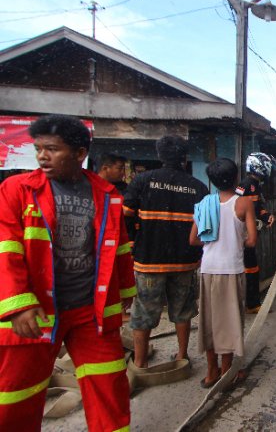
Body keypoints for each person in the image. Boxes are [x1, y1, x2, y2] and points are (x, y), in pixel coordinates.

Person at [0, 114, 135, 431]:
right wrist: (17, 304)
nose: (42, 156)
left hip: (90, 312)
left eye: (52, 149)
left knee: (109, 389)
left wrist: (126, 294)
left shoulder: (107, 194)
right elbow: (6, 248)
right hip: (36, 311)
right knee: (16, 396)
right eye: (38, 148)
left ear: (79, 153)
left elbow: (120, 249)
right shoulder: (16, 190)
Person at [123, 135, 208, 368]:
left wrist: (133, 244)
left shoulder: (142, 181)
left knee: (143, 313)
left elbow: (126, 216)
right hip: (185, 261)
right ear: (184, 158)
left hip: (149, 260)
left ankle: (139, 364)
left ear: (159, 155)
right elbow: (204, 226)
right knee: (183, 311)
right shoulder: (197, 187)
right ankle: (182, 357)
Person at [190, 158, 257, 389]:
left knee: (209, 321)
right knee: (228, 321)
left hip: (208, 269)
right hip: (231, 270)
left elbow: (193, 239)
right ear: (236, 177)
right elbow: (252, 241)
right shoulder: (244, 203)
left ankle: (211, 373)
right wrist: (236, 240)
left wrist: (213, 241)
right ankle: (228, 372)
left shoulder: (205, 203)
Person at [234, 152, 276, 314]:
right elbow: (237, 208)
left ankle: (251, 303)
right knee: (249, 269)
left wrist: (266, 216)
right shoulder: (245, 185)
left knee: (251, 269)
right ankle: (251, 304)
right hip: (242, 235)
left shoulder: (255, 185)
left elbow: (257, 207)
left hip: (248, 234)